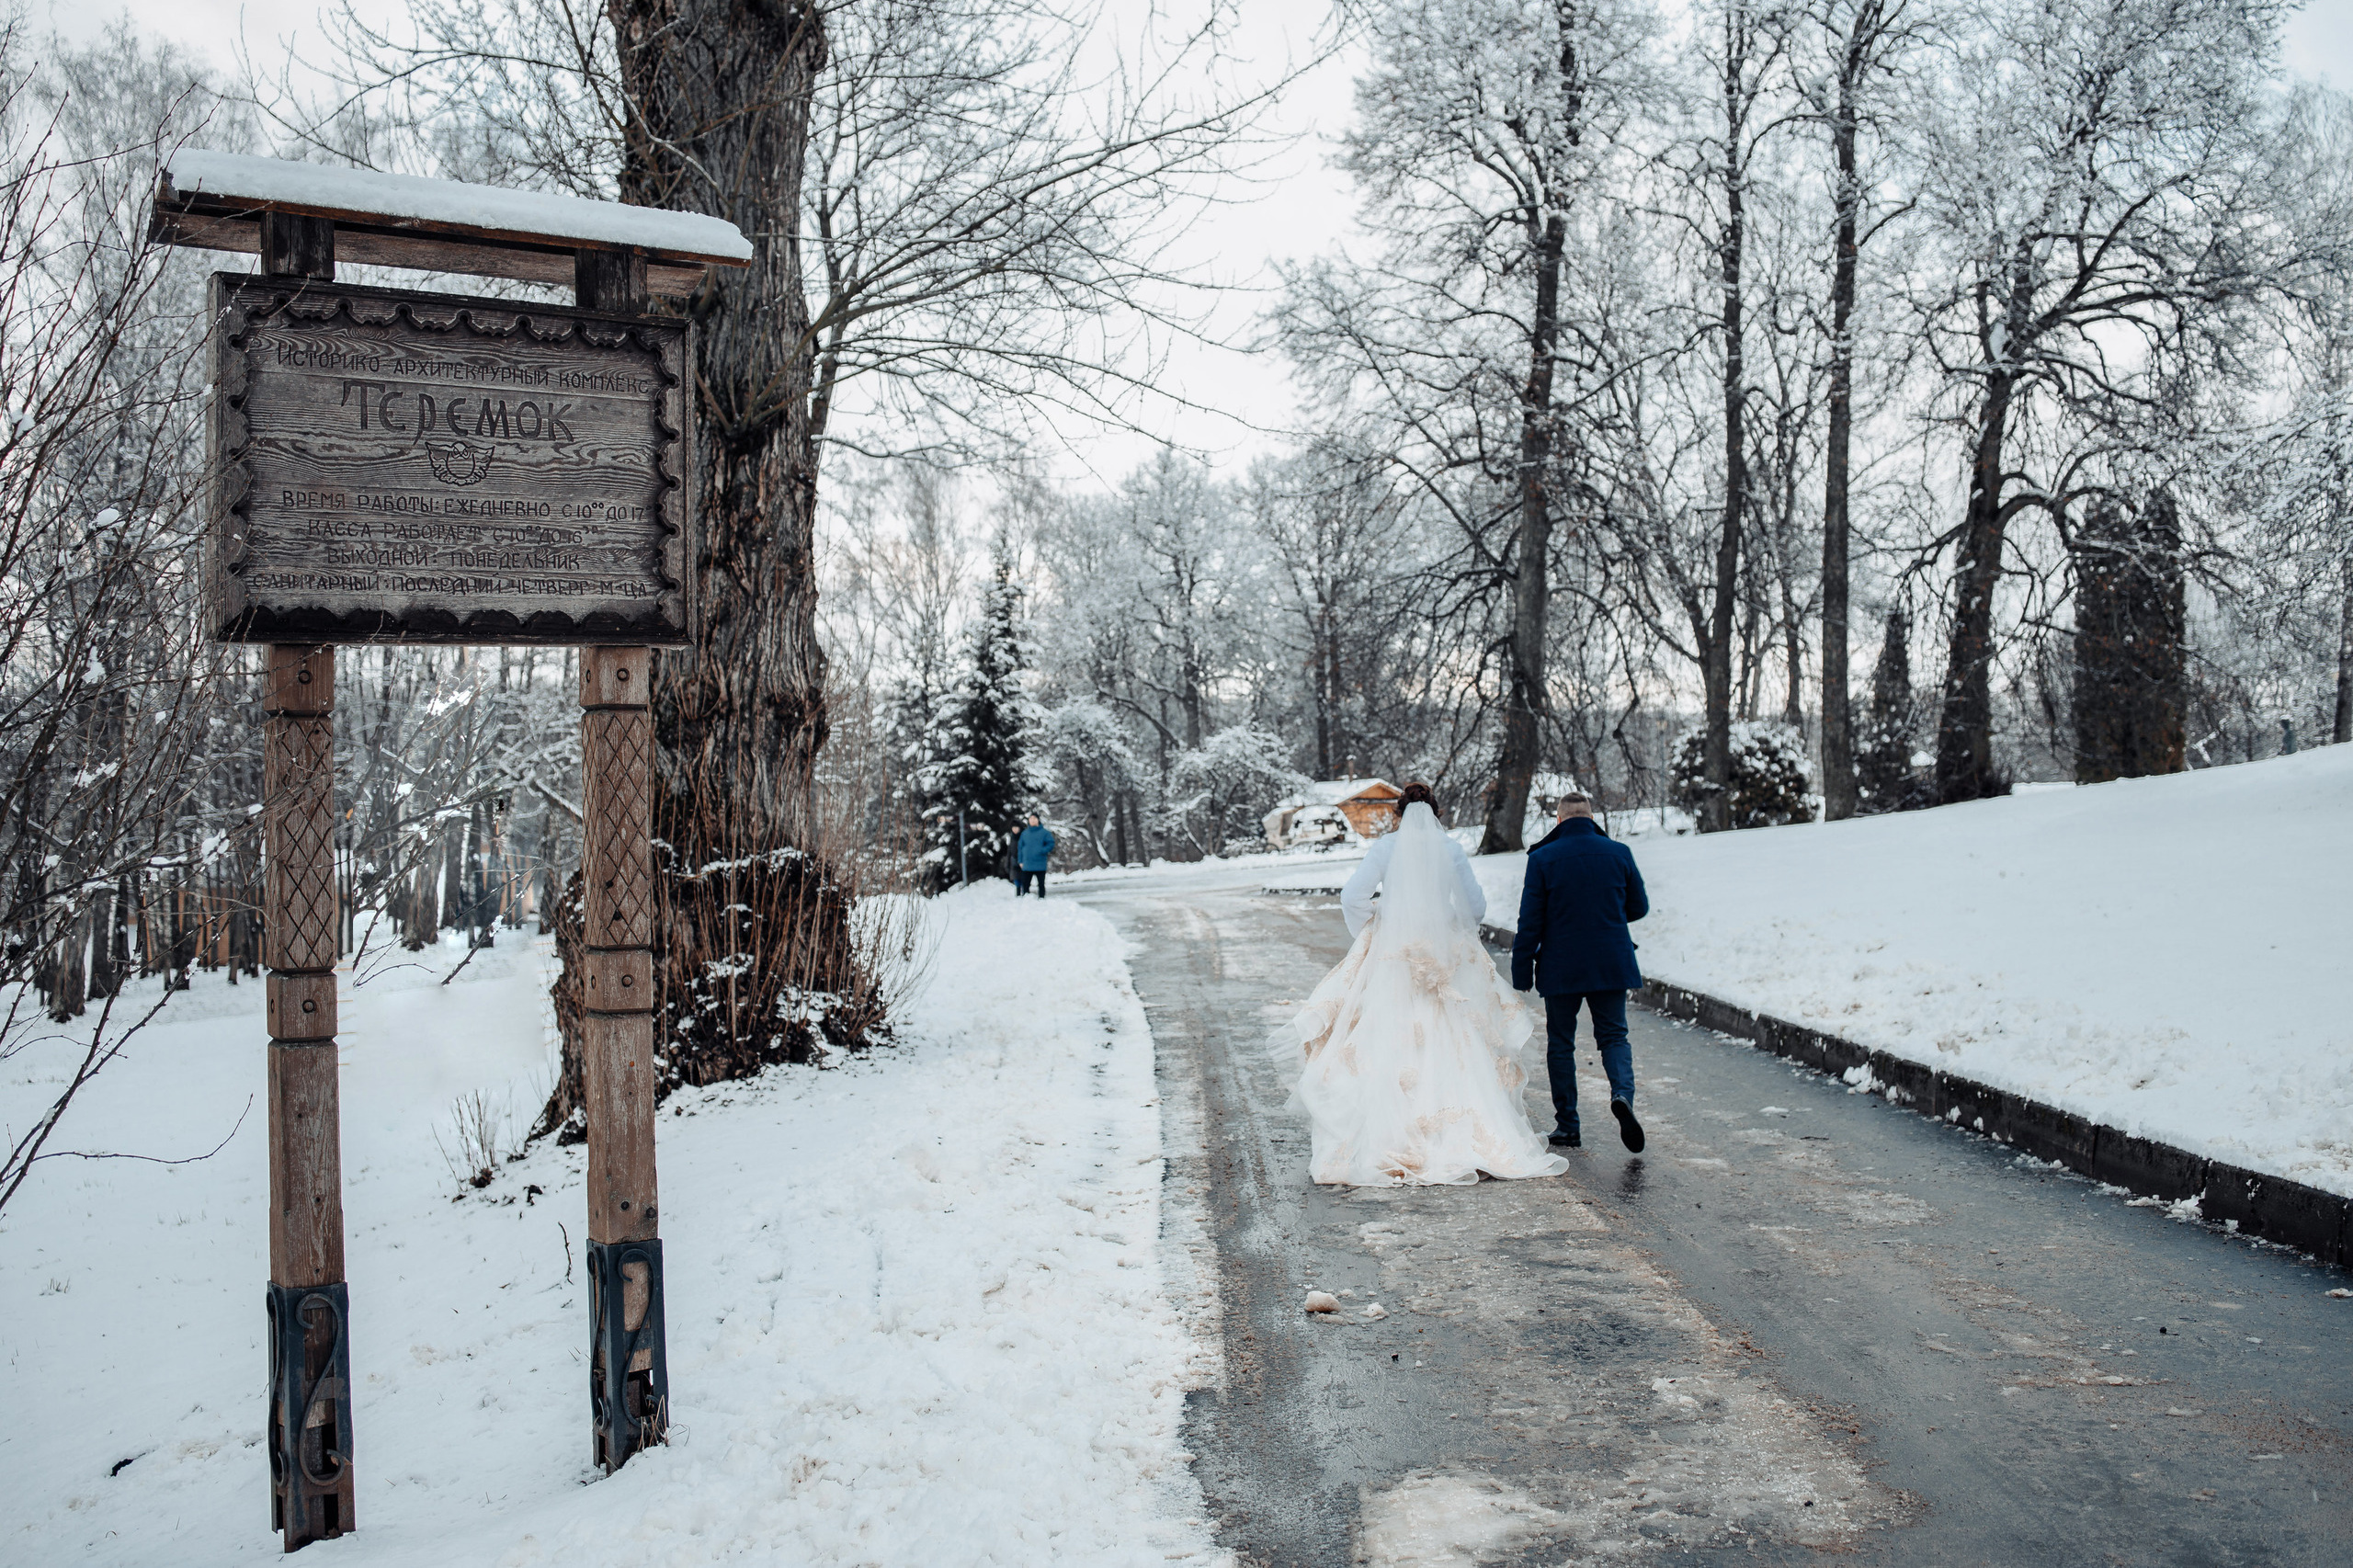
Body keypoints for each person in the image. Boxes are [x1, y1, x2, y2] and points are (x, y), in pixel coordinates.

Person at [1275, 783, 1568, 1186]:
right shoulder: (1449, 850)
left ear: (1398, 814)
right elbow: (1475, 905)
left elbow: (1353, 896)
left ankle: (1386, 1134)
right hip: (1442, 953)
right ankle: (1467, 1134)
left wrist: (1373, 930)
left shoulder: (1384, 849)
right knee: (1453, 1035)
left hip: (1392, 955)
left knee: (1388, 1032)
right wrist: (1455, 930)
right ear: (1435, 813)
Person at [1511, 793, 1648, 1153]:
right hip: (1611, 960)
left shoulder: (1542, 858)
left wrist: (1521, 971)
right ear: (1591, 817)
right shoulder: (1619, 853)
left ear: (1558, 821)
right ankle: (1622, 1095)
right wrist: (1607, 919)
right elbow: (1639, 906)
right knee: (1614, 1036)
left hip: (1562, 965)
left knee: (1561, 1044)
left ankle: (1568, 1126)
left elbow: (1530, 922)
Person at [1013, 812, 1055, 896]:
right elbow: (1020, 848)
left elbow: (1051, 844)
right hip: (1027, 863)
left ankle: (1041, 900)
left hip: (1040, 863)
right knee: (1025, 885)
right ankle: (1026, 901)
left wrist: (1042, 850)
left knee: (1041, 885)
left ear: (1038, 820)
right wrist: (1020, 861)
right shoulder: (1025, 833)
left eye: (1034, 818)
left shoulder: (1044, 833)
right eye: (1031, 818)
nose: (1032, 820)